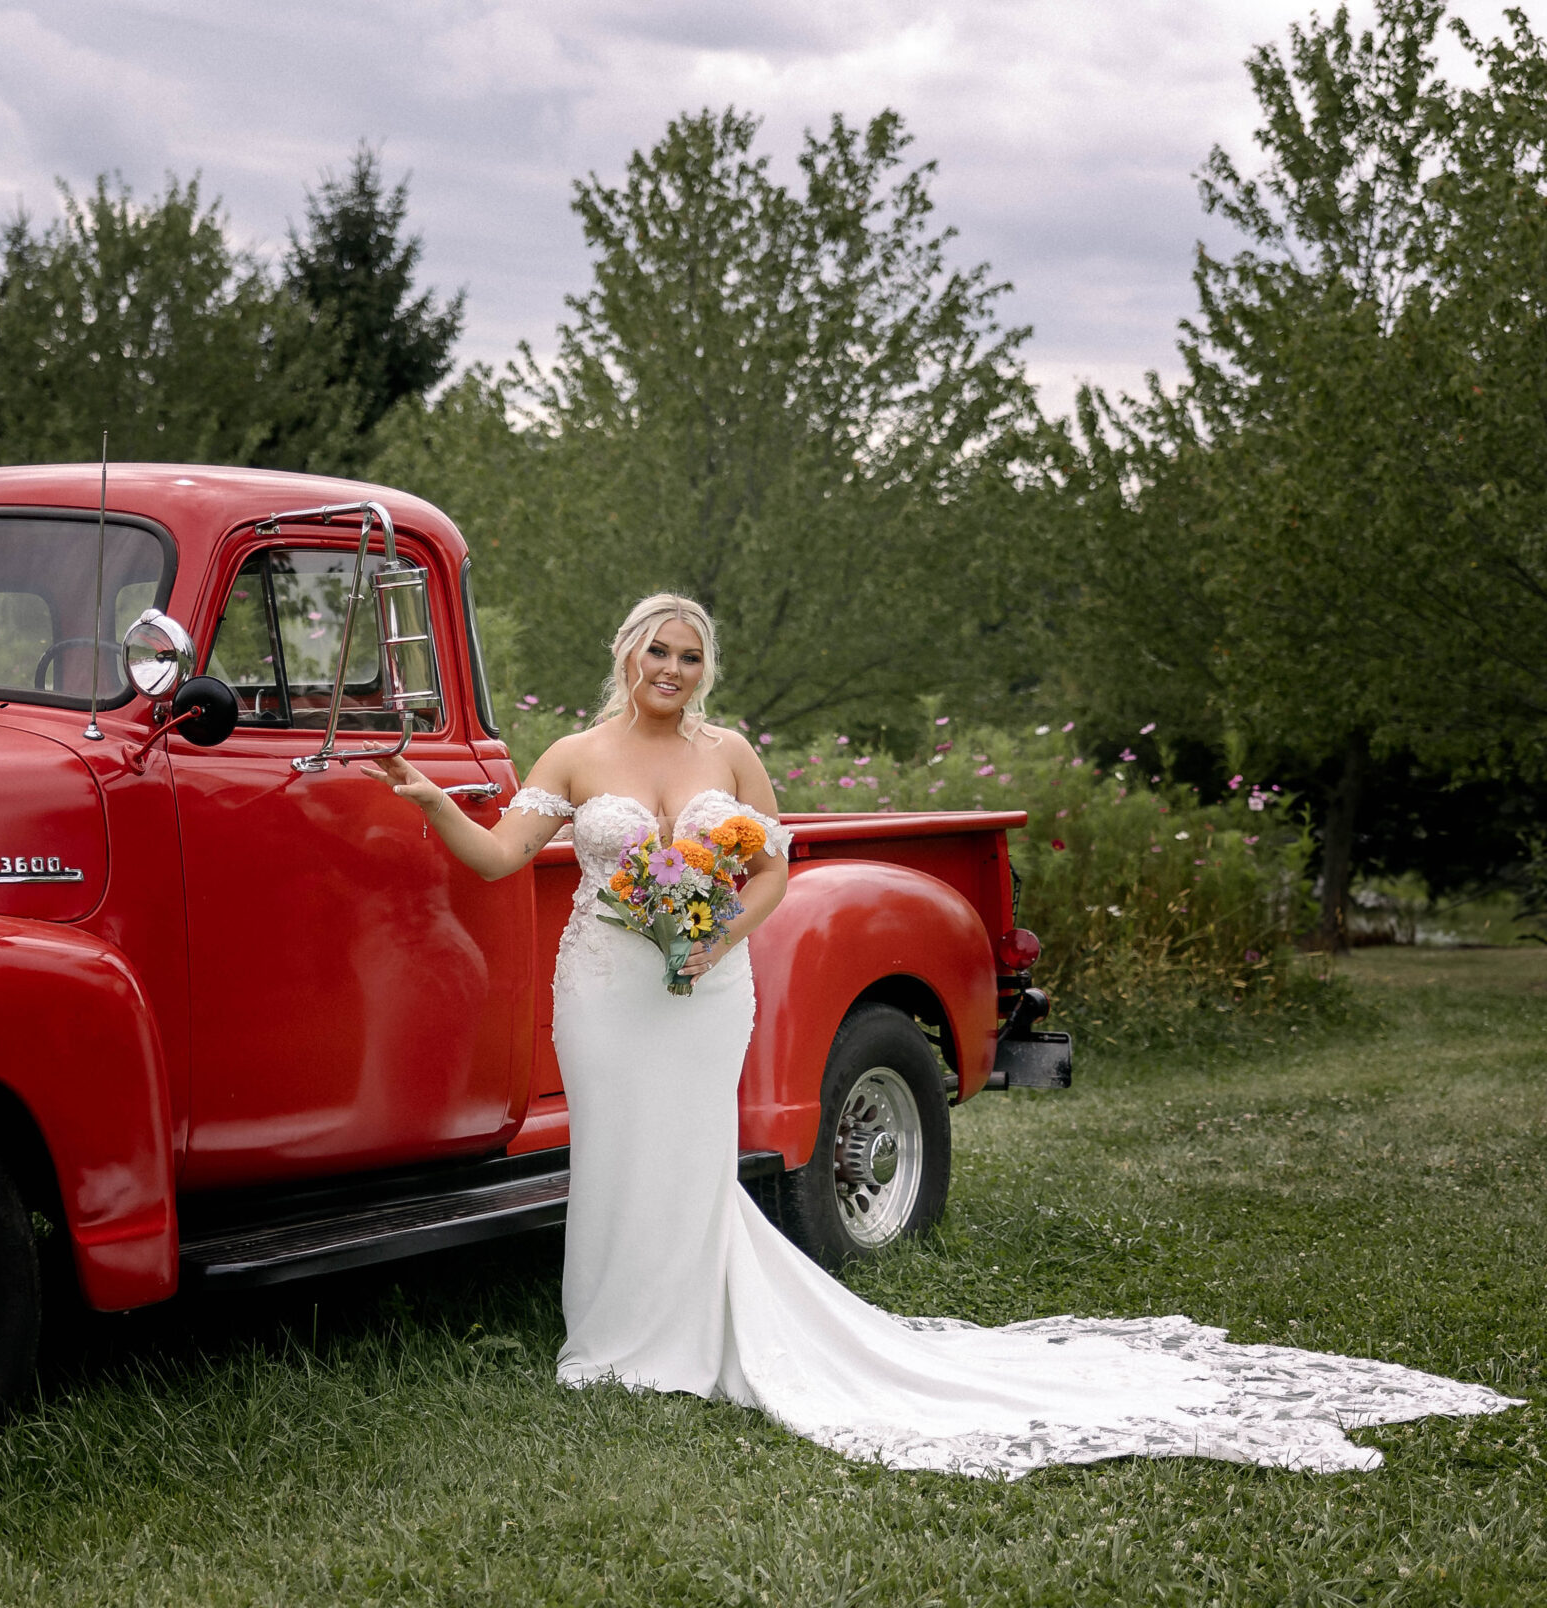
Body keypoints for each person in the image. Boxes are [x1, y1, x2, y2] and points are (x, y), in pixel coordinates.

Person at [360, 591, 1518, 1477]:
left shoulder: (727, 753)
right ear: (625, 655)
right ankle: (616, 1344)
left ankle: (694, 1339)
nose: (671, 669)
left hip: (707, 986)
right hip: (606, 979)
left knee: (694, 1155)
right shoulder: (574, 758)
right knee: (616, 1152)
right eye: (656, 650)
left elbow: (770, 865)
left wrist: (719, 943)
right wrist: (427, 800)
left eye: (690, 655)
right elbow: (505, 859)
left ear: (704, 670)